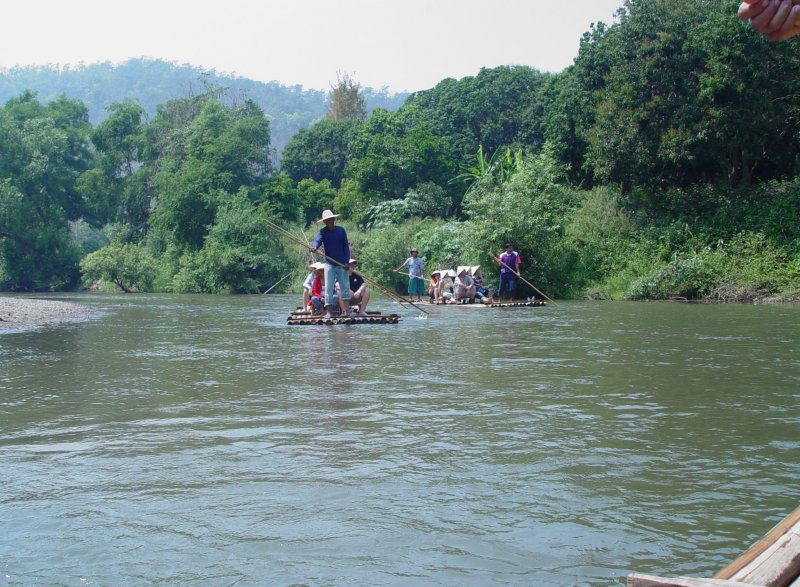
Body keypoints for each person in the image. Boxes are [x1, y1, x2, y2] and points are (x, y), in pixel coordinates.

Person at [311, 209, 352, 318]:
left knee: (344, 287)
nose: (328, 222)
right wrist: (314, 247)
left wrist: (346, 262)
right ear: (324, 222)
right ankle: (329, 312)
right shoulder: (322, 232)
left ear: (333, 219)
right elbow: (317, 241)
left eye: (330, 219)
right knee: (329, 287)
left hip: (342, 263)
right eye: (326, 220)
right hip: (329, 263)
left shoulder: (341, 230)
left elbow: (346, 247)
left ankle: (346, 311)